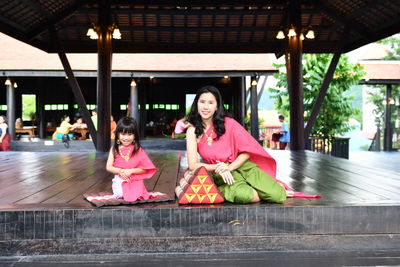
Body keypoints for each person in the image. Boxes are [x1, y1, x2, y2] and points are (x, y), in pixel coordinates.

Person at [185, 85, 288, 204]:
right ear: (196, 104)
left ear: (217, 106)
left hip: (243, 166)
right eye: (202, 102)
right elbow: (193, 165)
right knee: (245, 196)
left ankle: (270, 187)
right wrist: (221, 168)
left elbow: (247, 151)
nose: (206, 107)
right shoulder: (192, 131)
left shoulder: (229, 123)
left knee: (277, 195)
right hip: (221, 175)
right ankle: (250, 189)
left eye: (211, 103)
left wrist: (230, 167)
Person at [106, 117, 157, 201]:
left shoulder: (138, 149)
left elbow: (144, 169)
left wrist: (131, 171)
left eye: (129, 134)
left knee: (137, 195)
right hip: (120, 179)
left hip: (135, 180)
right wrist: (120, 171)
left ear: (135, 136)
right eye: (123, 134)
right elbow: (108, 167)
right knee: (121, 194)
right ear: (117, 134)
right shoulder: (114, 149)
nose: (126, 138)